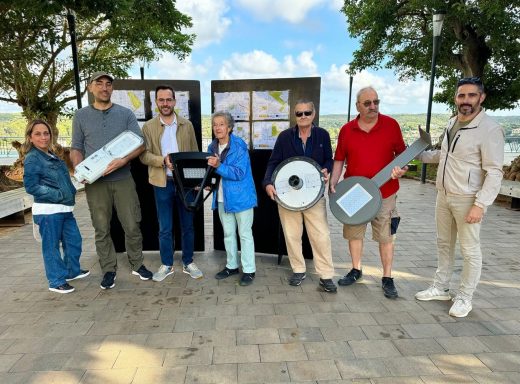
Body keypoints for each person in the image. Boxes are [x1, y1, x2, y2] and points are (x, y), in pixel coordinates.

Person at [414, 77, 504, 317]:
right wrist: (416, 155)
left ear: (481, 97)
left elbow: (495, 172)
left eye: (471, 95)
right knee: (443, 244)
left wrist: (480, 205)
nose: (466, 100)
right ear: (455, 98)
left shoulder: (490, 129)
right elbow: (445, 155)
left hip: (468, 199)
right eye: (461, 96)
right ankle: (441, 287)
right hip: (443, 195)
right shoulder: (452, 122)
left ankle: (465, 297)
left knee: (470, 250)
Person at [70, 71, 153, 290]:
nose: (104, 88)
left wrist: (123, 160)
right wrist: (80, 171)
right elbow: (76, 147)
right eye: (99, 84)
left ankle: (137, 264)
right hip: (95, 184)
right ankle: (108, 269)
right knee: (101, 228)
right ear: (90, 88)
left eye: (108, 84)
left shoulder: (125, 114)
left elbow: (141, 144)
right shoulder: (80, 116)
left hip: (123, 178)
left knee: (132, 224)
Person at [330, 86, 406, 299]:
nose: (373, 106)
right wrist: (333, 183)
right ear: (358, 106)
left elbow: (404, 155)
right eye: (367, 103)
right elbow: (339, 160)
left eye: (376, 102)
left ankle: (387, 277)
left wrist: (402, 170)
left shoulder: (391, 125)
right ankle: (356, 270)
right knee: (354, 233)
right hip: (355, 191)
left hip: (386, 191)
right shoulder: (346, 130)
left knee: (386, 236)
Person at [263, 99, 337, 293]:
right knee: (292, 234)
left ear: (313, 114)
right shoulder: (285, 137)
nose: (303, 116)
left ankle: (326, 275)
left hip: (314, 194)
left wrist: (327, 169)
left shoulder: (322, 135)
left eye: (307, 113)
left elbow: (329, 158)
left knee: (321, 235)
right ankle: (298, 269)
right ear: (294, 116)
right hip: (288, 195)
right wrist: (268, 183)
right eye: (299, 113)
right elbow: (274, 162)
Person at [139, 85, 203, 281]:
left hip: (185, 184)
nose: (165, 103)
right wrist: (162, 161)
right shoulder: (148, 127)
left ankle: (188, 262)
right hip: (162, 182)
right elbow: (143, 155)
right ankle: (166, 264)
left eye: (168, 100)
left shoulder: (187, 125)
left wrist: (198, 180)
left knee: (188, 226)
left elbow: (195, 153)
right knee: (165, 227)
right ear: (156, 102)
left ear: (175, 102)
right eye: (161, 100)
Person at [23, 119, 89, 293]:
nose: (43, 137)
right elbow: (32, 187)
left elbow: (62, 179)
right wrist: (58, 195)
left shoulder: (51, 154)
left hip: (65, 209)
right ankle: (56, 280)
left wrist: (72, 188)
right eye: (38, 134)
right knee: (51, 247)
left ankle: (72, 271)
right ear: (30, 137)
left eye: (46, 133)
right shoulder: (32, 158)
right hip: (48, 211)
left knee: (74, 241)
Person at [207, 111, 257, 286]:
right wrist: (208, 183)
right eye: (215, 124)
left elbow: (239, 173)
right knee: (228, 234)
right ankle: (232, 265)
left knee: (244, 234)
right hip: (222, 198)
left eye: (221, 124)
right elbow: (211, 172)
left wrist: (219, 165)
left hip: (241, 198)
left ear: (229, 127)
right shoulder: (212, 147)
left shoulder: (239, 146)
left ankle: (249, 270)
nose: (217, 128)